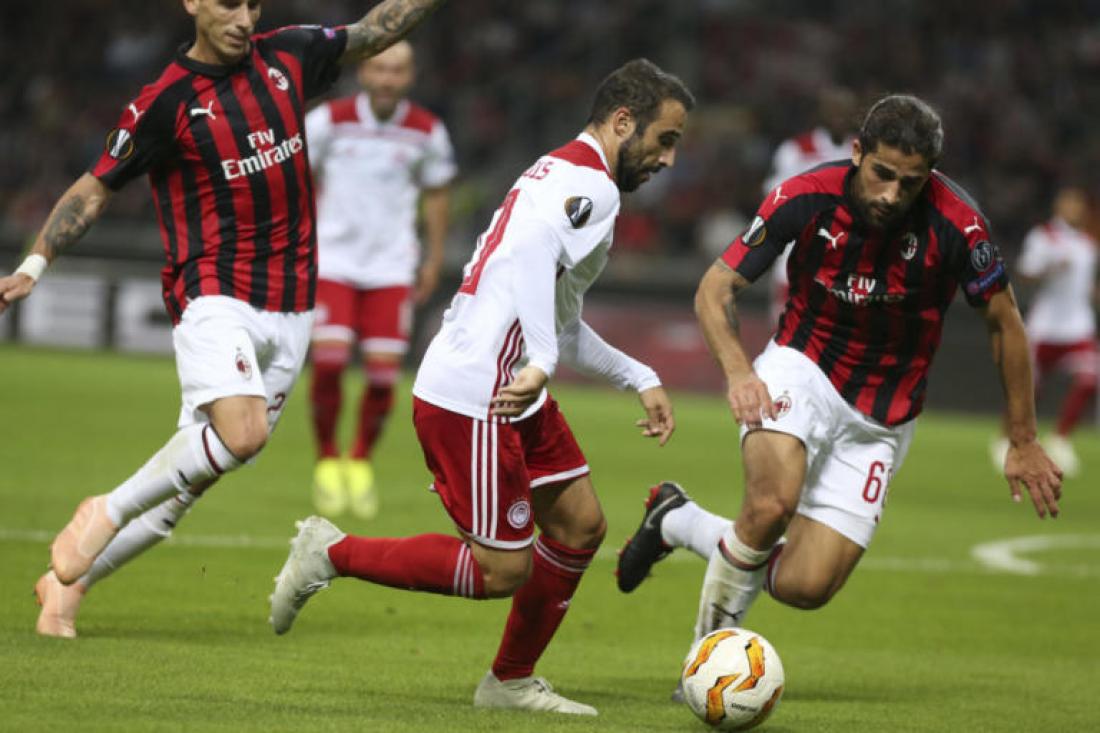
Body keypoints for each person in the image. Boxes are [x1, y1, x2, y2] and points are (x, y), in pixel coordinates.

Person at [0, 0, 449, 640]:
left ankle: (66, 586)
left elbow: (377, 30)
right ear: (192, 3)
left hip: (294, 304)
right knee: (243, 434)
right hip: (214, 292)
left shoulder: (290, 55)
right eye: (228, 3)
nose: (243, 18)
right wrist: (34, 265)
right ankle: (105, 508)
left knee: (183, 490)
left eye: (252, 4)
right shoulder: (165, 102)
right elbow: (95, 188)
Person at [268, 59, 692, 716]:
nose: (668, 159)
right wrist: (540, 359)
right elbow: (530, 256)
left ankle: (509, 681)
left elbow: (560, 321)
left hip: (512, 387)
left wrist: (640, 376)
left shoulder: (564, 173)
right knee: (502, 570)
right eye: (664, 140)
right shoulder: (592, 187)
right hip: (479, 393)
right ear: (621, 122)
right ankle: (331, 552)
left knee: (579, 524)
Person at [616, 94, 1064, 698]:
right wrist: (740, 373)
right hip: (802, 366)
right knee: (770, 506)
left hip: (883, 415)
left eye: (911, 182)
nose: (892, 194)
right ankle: (704, 665)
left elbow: (1005, 324)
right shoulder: (805, 196)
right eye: (882, 173)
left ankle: (678, 519)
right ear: (857, 153)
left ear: (930, 175)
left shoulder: (959, 225)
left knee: (806, 586)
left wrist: (1024, 439)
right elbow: (714, 289)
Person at [305, 40, 455, 519]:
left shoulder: (427, 131)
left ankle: (360, 461)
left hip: (391, 266)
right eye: (380, 68)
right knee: (329, 363)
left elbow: (437, 195)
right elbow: (298, 179)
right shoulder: (328, 121)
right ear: (364, 71)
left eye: (397, 70)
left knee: (383, 374)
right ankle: (328, 459)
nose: (388, 78)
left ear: (410, 76)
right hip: (333, 260)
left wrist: (433, 259)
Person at [990, 186, 1098, 477]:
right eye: (1070, 203)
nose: (1075, 209)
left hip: (1078, 327)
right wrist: (1050, 268)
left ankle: (1060, 439)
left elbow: (1085, 286)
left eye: (1079, 204)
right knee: (1028, 389)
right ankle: (1005, 439)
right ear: (1059, 206)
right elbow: (1025, 274)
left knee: (1090, 379)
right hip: (1046, 327)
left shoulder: (1088, 243)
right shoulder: (1043, 237)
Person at [762, 87, 858, 327]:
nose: (839, 117)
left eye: (844, 112)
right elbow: (775, 195)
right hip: (798, 243)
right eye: (834, 110)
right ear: (821, 113)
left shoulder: (861, 152)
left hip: (845, 248)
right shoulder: (796, 150)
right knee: (786, 323)